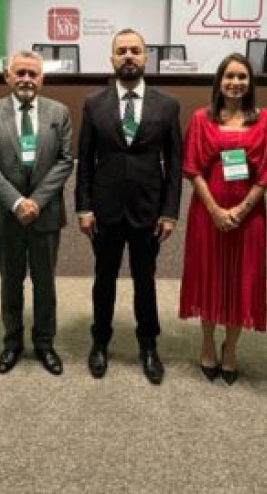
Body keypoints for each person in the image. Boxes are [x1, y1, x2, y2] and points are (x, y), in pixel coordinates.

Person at [75, 28, 182, 385]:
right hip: (104, 211)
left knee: (144, 281)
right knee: (103, 280)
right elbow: (85, 160)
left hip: (148, 211)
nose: (128, 56)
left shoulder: (167, 105)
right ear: (112, 58)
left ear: (146, 57)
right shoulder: (94, 103)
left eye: (135, 50)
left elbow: (175, 163)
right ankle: (100, 342)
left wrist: (169, 211)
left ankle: (148, 345)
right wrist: (83, 207)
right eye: (121, 51)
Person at [179, 53, 267, 385]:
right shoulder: (201, 118)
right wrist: (215, 210)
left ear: (250, 83)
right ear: (219, 82)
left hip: (248, 216)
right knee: (208, 276)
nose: (235, 82)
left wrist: (240, 210)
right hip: (206, 212)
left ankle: (231, 348)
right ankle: (208, 343)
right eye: (229, 76)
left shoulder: (264, 120)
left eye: (242, 77)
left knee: (242, 278)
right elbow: (192, 168)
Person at [0, 50, 73, 376]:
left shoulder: (59, 112)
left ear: (42, 78)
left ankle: (45, 343)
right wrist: (17, 202)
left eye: (33, 73)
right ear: (8, 77)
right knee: (11, 282)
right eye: (20, 73)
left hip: (46, 214)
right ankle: (12, 343)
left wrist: (37, 202)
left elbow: (65, 161)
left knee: (45, 284)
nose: (27, 79)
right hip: (6, 214)